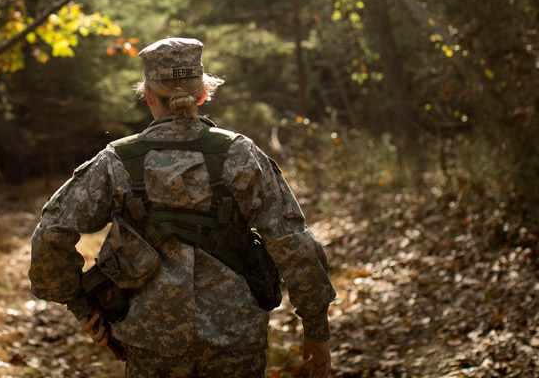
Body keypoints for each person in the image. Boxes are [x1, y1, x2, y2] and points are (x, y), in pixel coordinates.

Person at [28, 37, 335, 377]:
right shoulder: (240, 155)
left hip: (151, 345)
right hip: (235, 338)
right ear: (203, 94)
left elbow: (50, 234)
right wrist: (316, 328)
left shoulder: (116, 162)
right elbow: (293, 242)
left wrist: (83, 307)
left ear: (148, 96)